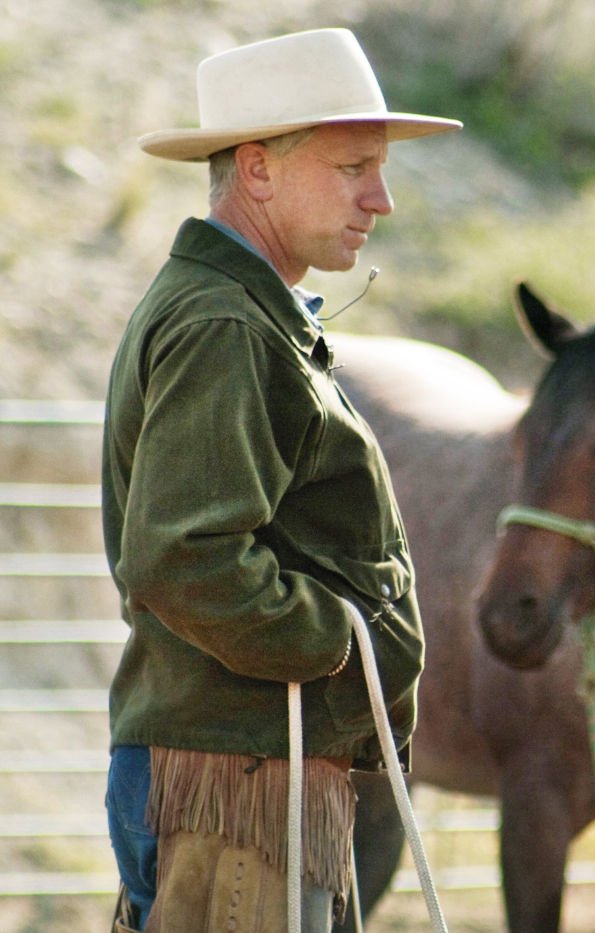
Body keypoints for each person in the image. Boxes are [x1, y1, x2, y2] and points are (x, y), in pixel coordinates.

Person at [101, 28, 461, 932]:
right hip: (240, 784)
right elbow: (183, 556)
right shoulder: (225, 324)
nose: (380, 198)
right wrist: (334, 639)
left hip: (255, 770)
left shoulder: (241, 312)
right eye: (353, 168)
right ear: (256, 170)